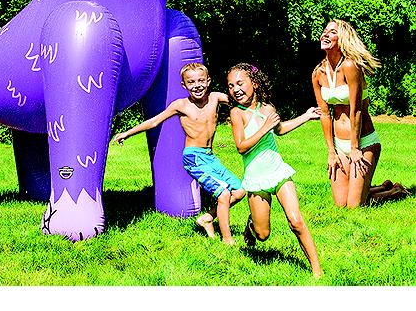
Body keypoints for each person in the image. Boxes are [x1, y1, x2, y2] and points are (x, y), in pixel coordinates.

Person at [113, 62, 246, 245]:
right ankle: (227, 240)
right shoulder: (181, 105)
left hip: (210, 156)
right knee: (223, 194)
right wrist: (127, 133)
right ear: (184, 85)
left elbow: (240, 100)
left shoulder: (215, 98)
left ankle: (207, 218)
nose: (197, 85)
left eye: (201, 80)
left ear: (208, 81)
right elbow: (154, 122)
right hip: (193, 157)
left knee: (239, 191)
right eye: (191, 82)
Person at [227, 63, 323, 277]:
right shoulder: (237, 113)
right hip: (256, 178)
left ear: (254, 83)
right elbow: (241, 147)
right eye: (231, 86)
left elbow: (279, 129)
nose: (236, 89)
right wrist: (264, 128)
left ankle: (317, 271)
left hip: (278, 172)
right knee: (263, 235)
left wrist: (306, 116)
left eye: (240, 83)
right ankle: (251, 225)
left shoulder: (268, 108)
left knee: (296, 221)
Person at [311, 20, 409, 207]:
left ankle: (395, 192)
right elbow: (324, 114)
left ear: (342, 39)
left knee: (354, 206)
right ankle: (383, 187)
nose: (325, 34)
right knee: (341, 204)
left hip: (363, 142)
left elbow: (356, 110)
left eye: (332, 32)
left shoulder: (350, 66)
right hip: (339, 144)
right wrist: (331, 151)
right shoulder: (318, 73)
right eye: (325, 31)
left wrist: (355, 148)